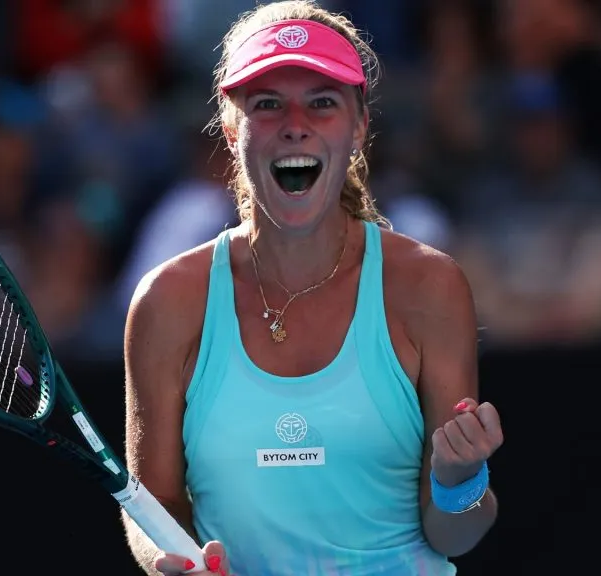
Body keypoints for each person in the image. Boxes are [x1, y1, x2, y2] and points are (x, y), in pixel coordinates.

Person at [121, 2, 504, 574]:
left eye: (321, 103)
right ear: (231, 128)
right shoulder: (167, 303)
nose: (294, 122)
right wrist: (167, 562)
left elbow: (455, 532)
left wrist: (458, 482)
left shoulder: (428, 286)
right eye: (267, 104)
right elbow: (153, 510)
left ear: (358, 127)